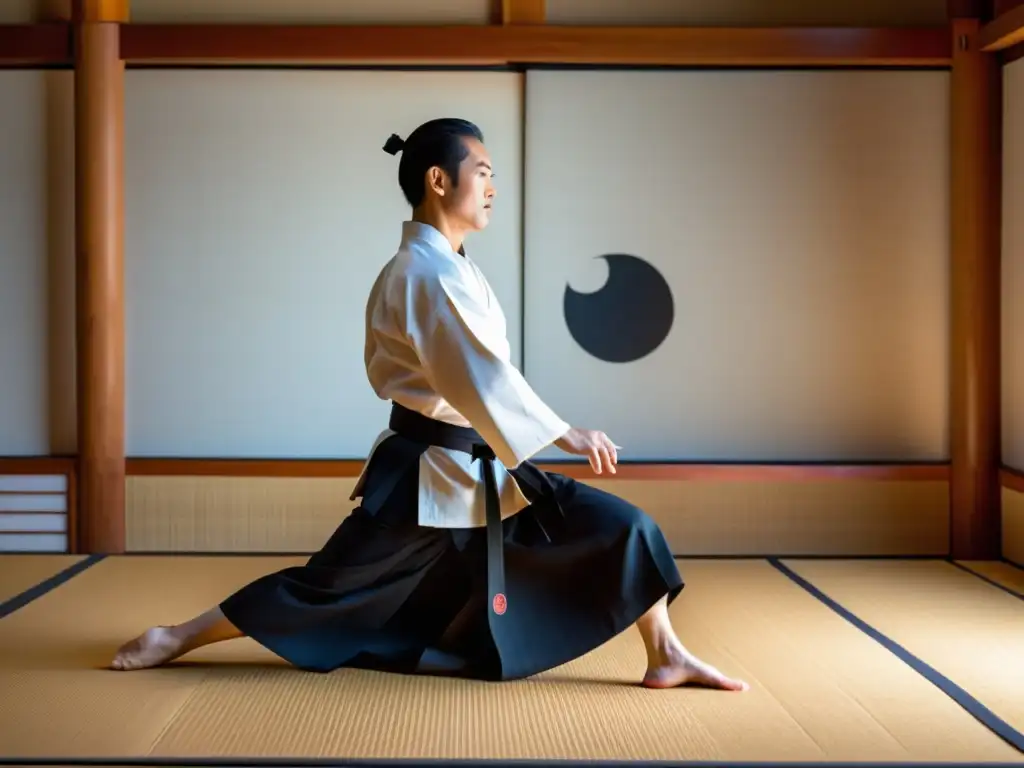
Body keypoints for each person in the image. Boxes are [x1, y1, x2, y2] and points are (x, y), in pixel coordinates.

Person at [110, 118, 747, 692]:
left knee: (621, 527)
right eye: (484, 172)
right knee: (327, 588)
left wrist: (544, 433)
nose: (494, 186)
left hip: (480, 465)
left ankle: (666, 652)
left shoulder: (452, 267)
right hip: (429, 474)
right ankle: (178, 636)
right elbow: (478, 375)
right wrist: (564, 432)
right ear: (439, 180)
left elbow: (481, 374)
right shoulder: (424, 273)